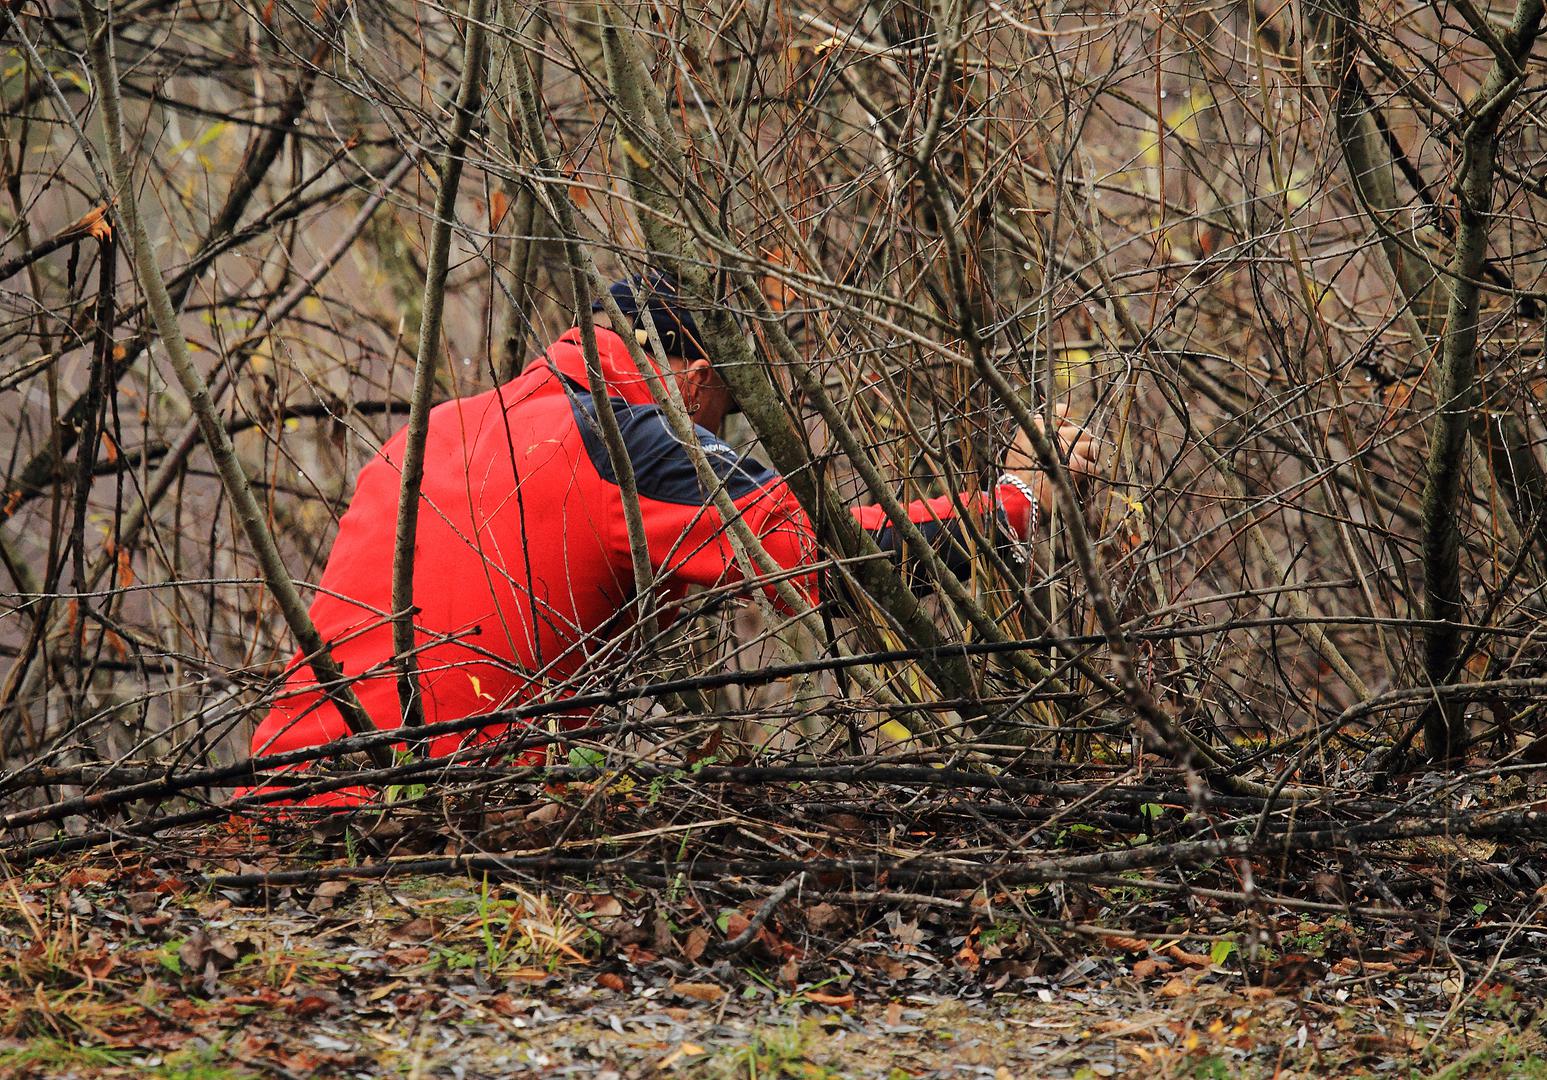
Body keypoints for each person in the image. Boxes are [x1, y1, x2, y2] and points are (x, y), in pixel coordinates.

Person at [241, 274, 1095, 808]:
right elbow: (829, 560)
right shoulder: (632, 441)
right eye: (729, 410)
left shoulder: (427, 432)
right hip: (438, 816)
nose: (730, 437)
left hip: (280, 794)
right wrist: (1015, 504)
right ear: (694, 380)